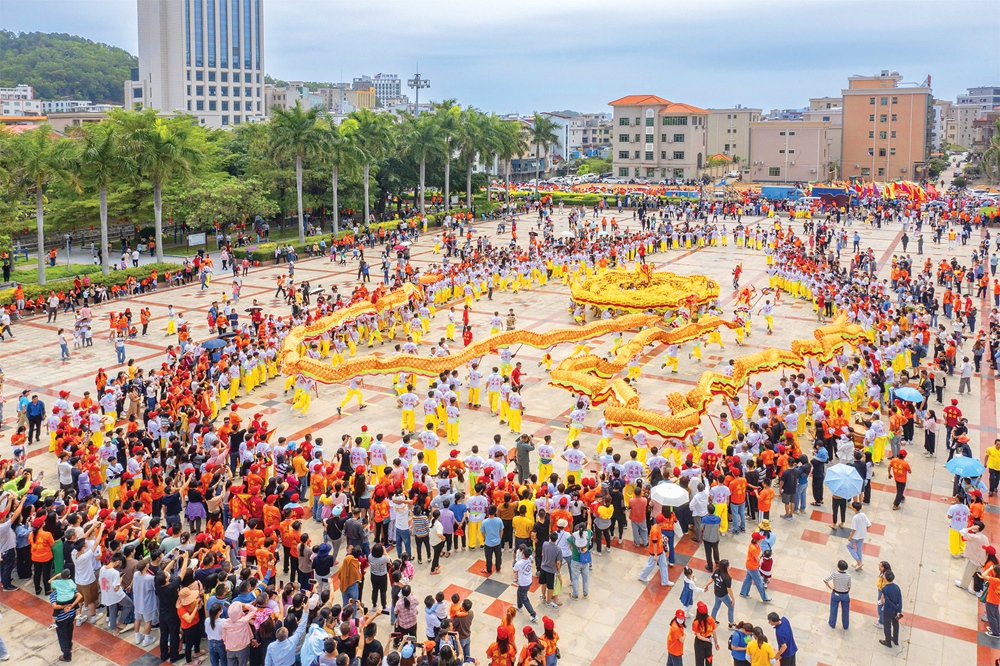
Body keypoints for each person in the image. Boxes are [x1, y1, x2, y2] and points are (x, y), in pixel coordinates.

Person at [51, 581, 83, 662]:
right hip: (71, 615)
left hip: (61, 619)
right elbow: (79, 596)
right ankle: (69, 645)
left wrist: (63, 607)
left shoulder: (54, 594)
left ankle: (67, 656)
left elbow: (54, 606)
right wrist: (72, 606)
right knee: (69, 631)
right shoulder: (70, 589)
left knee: (62, 637)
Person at [739, 532, 771, 602]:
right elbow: (758, 559)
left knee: (748, 579)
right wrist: (761, 554)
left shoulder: (755, 545)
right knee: (759, 582)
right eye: (760, 538)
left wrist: (760, 554)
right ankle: (765, 598)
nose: (762, 539)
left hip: (750, 565)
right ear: (757, 539)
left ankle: (743, 592)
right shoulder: (753, 548)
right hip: (753, 567)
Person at [512, 545, 539, 622]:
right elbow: (532, 561)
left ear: (523, 554)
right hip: (528, 581)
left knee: (525, 598)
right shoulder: (530, 559)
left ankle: (533, 615)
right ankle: (519, 606)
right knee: (519, 592)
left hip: (523, 583)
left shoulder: (519, 563)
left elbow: (514, 570)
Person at [824, 560, 852, 630]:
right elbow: (849, 586)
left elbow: (825, 580)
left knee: (833, 609)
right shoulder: (848, 576)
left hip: (836, 593)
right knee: (845, 611)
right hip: (845, 594)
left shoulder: (834, 573)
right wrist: (846, 592)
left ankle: (832, 623)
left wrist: (831, 587)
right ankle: (845, 626)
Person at [878, 571, 903, 648]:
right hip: (896, 611)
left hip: (888, 610)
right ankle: (895, 639)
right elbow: (900, 599)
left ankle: (888, 641)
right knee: (896, 624)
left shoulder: (885, 589)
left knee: (887, 626)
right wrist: (899, 610)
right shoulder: (897, 587)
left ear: (885, 578)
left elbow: (886, 601)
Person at [691, 601, 719, 666]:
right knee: (709, 659)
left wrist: (708, 640)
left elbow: (698, 636)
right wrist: (715, 643)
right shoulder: (711, 619)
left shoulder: (696, 623)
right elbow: (714, 632)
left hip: (699, 643)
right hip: (709, 641)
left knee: (699, 660)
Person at [846, 502, 871, 571]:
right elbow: (868, 525)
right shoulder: (863, 515)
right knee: (859, 549)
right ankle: (859, 565)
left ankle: (858, 562)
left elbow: (854, 529)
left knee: (849, 546)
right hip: (862, 535)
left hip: (855, 536)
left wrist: (850, 536)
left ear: (854, 509)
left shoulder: (855, 518)